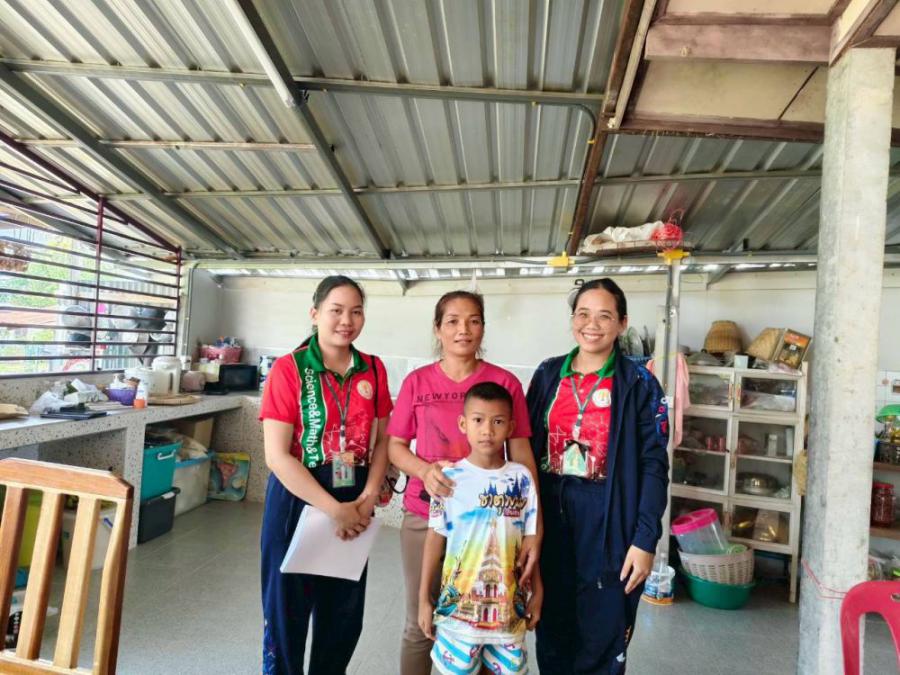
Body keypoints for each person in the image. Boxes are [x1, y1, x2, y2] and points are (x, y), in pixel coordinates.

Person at [387, 290, 540, 675]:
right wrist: (425, 471)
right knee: (420, 622)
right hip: (426, 517)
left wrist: (534, 531)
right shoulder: (417, 382)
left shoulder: (504, 382)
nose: (463, 330)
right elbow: (395, 447)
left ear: (483, 328)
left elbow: (522, 456)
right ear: (437, 328)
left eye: (473, 321)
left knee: (489, 626)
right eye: (453, 321)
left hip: (494, 523)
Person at [526, 278, 669, 674]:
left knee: (603, 628)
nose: (591, 324)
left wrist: (645, 538)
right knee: (552, 625)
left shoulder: (639, 383)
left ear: (622, 323)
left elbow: (654, 464)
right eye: (583, 314)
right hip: (551, 508)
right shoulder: (548, 374)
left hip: (609, 513)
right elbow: (522, 448)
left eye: (604, 316)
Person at [258, 276, 392, 675]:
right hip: (297, 498)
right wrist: (335, 510)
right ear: (315, 314)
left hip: (355, 496)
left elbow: (384, 440)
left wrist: (368, 496)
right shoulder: (289, 369)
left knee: (343, 616)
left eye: (356, 311)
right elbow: (277, 456)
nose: (346, 321)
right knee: (286, 614)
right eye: (336, 310)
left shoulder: (373, 369)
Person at [419, 382, 541, 675]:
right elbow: (434, 540)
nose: (487, 430)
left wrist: (538, 590)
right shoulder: (448, 478)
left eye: (497, 421)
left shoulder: (522, 479)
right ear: (463, 424)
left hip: (508, 615)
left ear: (510, 427)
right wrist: (423, 598)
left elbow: (530, 544)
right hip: (459, 618)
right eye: (478, 420)